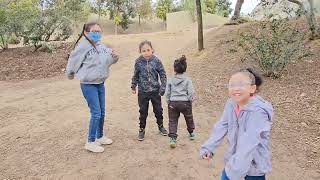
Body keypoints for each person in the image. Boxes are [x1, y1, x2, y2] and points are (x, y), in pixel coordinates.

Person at [200, 68, 273, 180]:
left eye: (241, 84)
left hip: (253, 168)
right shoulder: (231, 104)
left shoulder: (258, 112)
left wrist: (236, 171)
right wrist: (209, 147)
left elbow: (248, 143)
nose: (236, 89)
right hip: (233, 161)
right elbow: (222, 126)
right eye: (232, 85)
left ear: (252, 88)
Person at [66, 22, 119, 153]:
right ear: (86, 32)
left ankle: (99, 136)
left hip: (100, 83)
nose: (97, 33)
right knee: (96, 113)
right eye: (94, 31)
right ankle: (90, 141)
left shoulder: (101, 46)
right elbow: (73, 61)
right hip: (88, 85)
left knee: (102, 112)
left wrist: (114, 58)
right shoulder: (82, 46)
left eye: (99, 31)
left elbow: (106, 62)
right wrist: (70, 73)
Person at [131, 40, 168, 141]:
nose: (146, 52)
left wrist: (163, 86)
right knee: (143, 111)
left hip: (155, 91)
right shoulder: (138, 62)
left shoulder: (156, 61)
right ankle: (141, 129)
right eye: (143, 51)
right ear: (140, 52)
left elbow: (163, 74)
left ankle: (161, 126)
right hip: (143, 92)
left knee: (158, 110)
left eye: (148, 50)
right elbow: (136, 75)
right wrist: (133, 85)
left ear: (152, 50)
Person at [165, 55, 195, 148]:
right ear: (185, 68)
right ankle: (191, 133)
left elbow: (167, 92)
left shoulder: (170, 80)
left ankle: (173, 139)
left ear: (174, 69)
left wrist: (168, 101)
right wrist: (189, 100)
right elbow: (190, 92)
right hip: (185, 103)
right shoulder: (188, 80)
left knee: (173, 120)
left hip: (173, 103)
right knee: (188, 117)